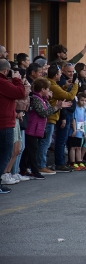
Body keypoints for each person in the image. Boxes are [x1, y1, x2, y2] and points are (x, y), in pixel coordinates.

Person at [20, 78, 70, 180]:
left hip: (37, 129)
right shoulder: (35, 99)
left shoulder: (43, 99)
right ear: (42, 89)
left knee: (30, 151)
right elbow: (43, 113)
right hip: (32, 128)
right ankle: (34, 171)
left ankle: (25, 169)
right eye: (47, 89)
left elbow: (49, 110)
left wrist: (57, 106)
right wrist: (56, 107)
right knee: (32, 151)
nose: (49, 91)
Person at [47, 65, 79, 173]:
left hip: (64, 113)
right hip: (59, 114)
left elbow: (62, 94)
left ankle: (60, 162)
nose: (71, 73)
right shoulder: (55, 83)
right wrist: (75, 85)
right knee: (60, 140)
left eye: (72, 71)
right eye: (68, 71)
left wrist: (67, 86)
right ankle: (59, 163)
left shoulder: (60, 82)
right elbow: (67, 98)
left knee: (63, 139)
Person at [0, 60, 26, 192]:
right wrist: (17, 80)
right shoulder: (2, 82)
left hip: (5, 121)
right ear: (5, 71)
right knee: (5, 154)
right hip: (4, 123)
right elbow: (20, 93)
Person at [68, 92, 86, 171]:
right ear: (78, 100)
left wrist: (83, 131)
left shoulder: (83, 109)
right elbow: (73, 119)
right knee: (73, 147)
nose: (84, 102)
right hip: (74, 130)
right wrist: (74, 129)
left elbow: (83, 120)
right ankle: (72, 162)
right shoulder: (75, 108)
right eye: (82, 100)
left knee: (79, 147)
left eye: (85, 100)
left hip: (80, 130)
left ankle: (79, 161)